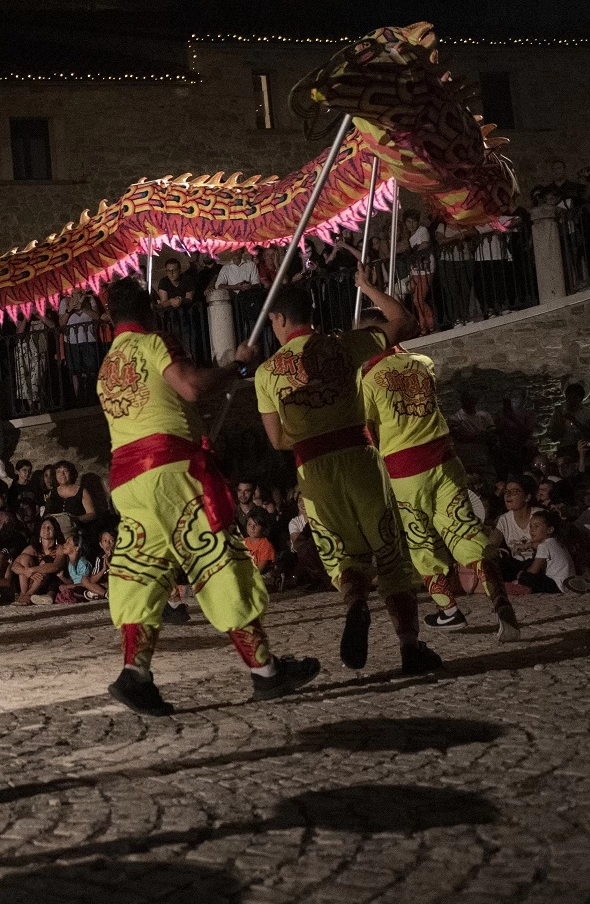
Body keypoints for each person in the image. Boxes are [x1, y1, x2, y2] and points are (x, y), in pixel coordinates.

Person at [98, 276, 320, 715]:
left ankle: (135, 673)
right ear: (147, 310)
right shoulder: (153, 343)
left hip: (127, 482)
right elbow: (191, 387)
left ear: (110, 318)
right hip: (172, 472)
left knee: (142, 571)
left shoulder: (106, 366)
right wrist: (235, 367)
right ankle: (266, 673)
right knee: (218, 561)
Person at [256, 274, 437, 676]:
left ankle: (355, 603)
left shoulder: (267, 372)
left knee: (344, 555)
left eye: (272, 321)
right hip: (358, 456)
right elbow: (403, 322)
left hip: (313, 468)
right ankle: (409, 646)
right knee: (389, 551)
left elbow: (277, 439)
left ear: (281, 318)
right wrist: (368, 287)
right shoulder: (343, 345)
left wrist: (309, 431)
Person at [357, 332, 522, 642]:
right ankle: (501, 605)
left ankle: (449, 611)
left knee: (421, 542)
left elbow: (367, 430)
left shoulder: (368, 380)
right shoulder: (422, 363)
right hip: (443, 460)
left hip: (406, 471)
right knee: (466, 532)